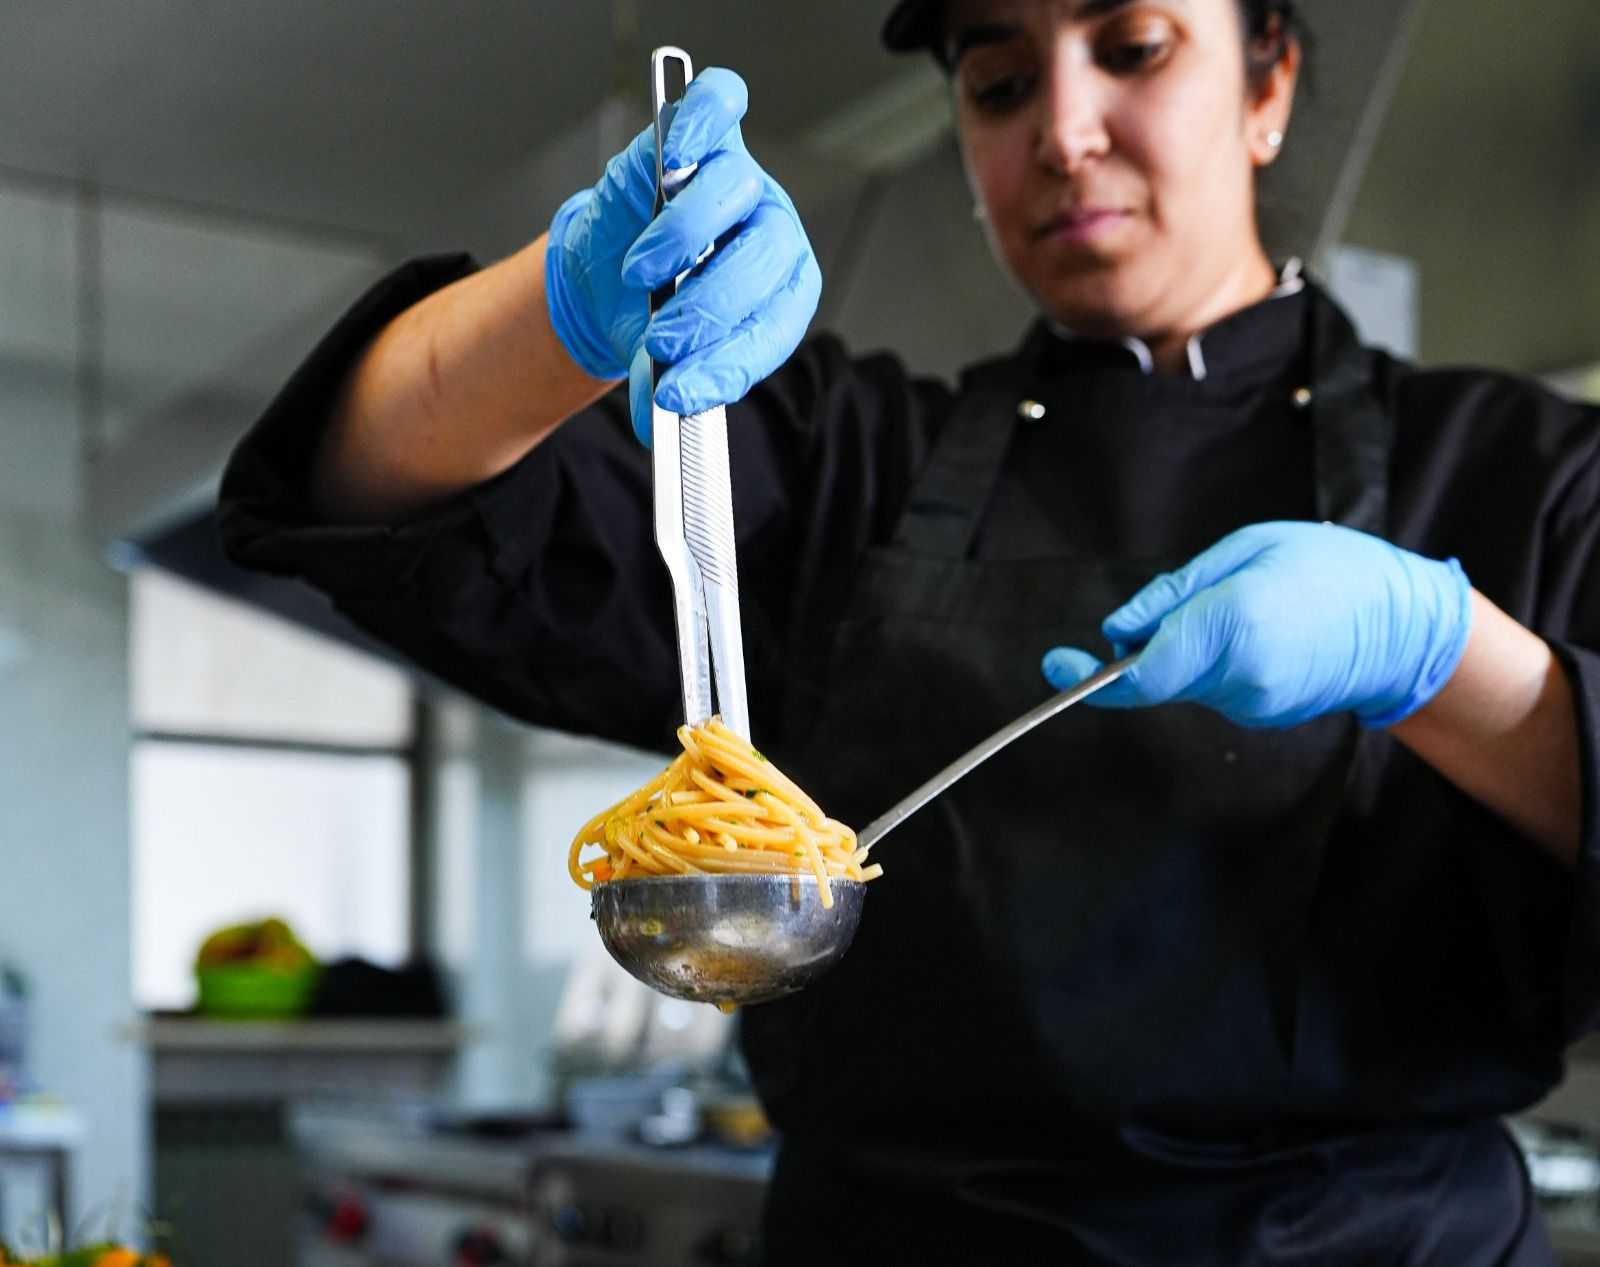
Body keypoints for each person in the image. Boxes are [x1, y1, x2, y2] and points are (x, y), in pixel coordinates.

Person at [218, 0, 1600, 1260]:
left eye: (1132, 48)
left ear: (1268, 83)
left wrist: (1445, 658)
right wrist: (567, 312)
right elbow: (365, 488)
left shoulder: (1527, 472)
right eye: (999, 81)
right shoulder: (844, 465)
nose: (1061, 131)